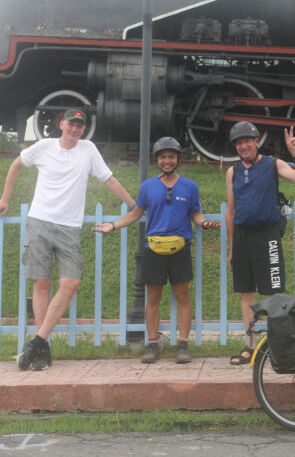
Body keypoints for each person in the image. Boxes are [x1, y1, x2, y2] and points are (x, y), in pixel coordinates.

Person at [0, 109, 135, 371]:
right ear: (61, 124)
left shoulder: (89, 149)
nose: (75, 129)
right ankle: (42, 352)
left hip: (70, 227)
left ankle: (37, 341)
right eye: (71, 124)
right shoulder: (44, 147)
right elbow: (16, 165)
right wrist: (5, 199)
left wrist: (134, 205)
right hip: (40, 221)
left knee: (71, 282)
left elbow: (109, 180)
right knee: (42, 283)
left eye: (80, 126)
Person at [94, 136, 220, 364]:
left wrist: (204, 223)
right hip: (154, 248)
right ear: (157, 160)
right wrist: (113, 225)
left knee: (182, 296)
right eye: (163, 157)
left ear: (178, 159)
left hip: (180, 247)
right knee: (152, 298)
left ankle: (182, 344)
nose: (167, 161)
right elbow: (136, 213)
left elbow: (196, 214)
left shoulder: (190, 186)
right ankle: (152, 344)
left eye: (171, 156)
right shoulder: (148, 187)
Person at [225, 122, 295, 365]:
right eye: (239, 143)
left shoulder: (273, 164)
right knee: (246, 293)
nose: (244, 146)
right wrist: (231, 248)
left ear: (256, 141)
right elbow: (230, 212)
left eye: (248, 141)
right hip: (242, 237)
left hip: (268, 235)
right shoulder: (232, 172)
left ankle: (279, 344)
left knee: (275, 293)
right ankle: (250, 346)